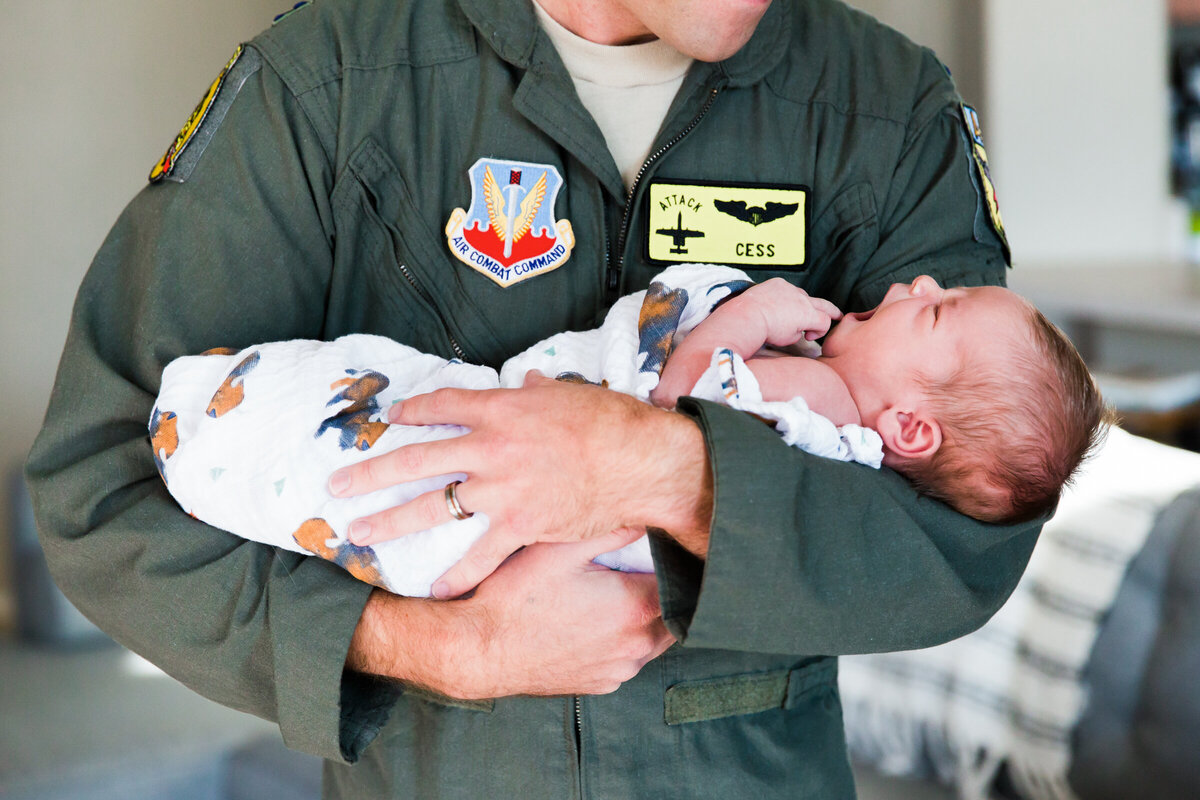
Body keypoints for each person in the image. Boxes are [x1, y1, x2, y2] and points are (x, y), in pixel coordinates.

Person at [25, 0, 1053, 796]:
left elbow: (975, 518)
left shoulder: (886, 107)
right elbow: (99, 482)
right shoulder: (329, 82)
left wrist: (664, 467)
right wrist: (424, 642)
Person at [151, 264, 1105, 598]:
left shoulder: (816, 405)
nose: (921, 286)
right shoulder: (845, 445)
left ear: (907, 424)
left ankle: (213, 418)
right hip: (531, 477)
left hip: (525, 475)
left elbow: (664, 411)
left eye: (939, 313)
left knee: (379, 438)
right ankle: (227, 419)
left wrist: (743, 314)